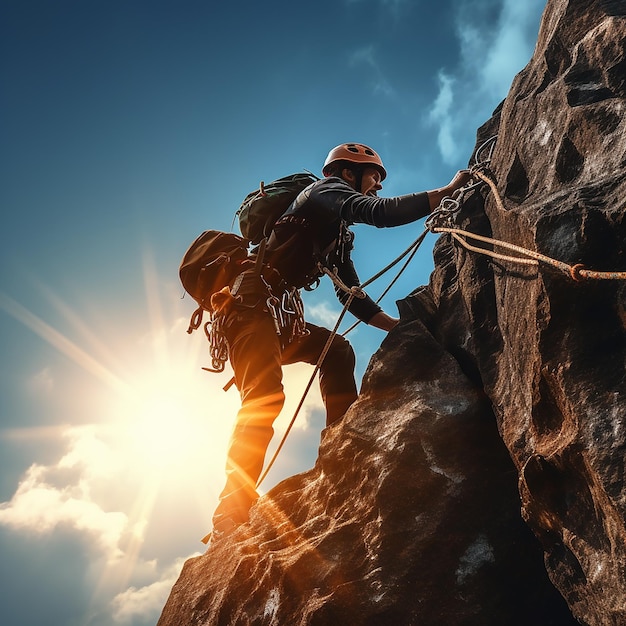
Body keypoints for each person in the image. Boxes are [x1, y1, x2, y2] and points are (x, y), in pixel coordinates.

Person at [208, 142, 470, 541]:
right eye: (374, 177)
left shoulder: (334, 231)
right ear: (348, 173)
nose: (377, 187)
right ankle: (232, 506)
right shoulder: (322, 192)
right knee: (264, 396)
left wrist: (400, 328)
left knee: (338, 352)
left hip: (275, 317)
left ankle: (338, 447)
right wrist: (444, 193)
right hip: (248, 310)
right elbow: (380, 213)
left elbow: (351, 294)